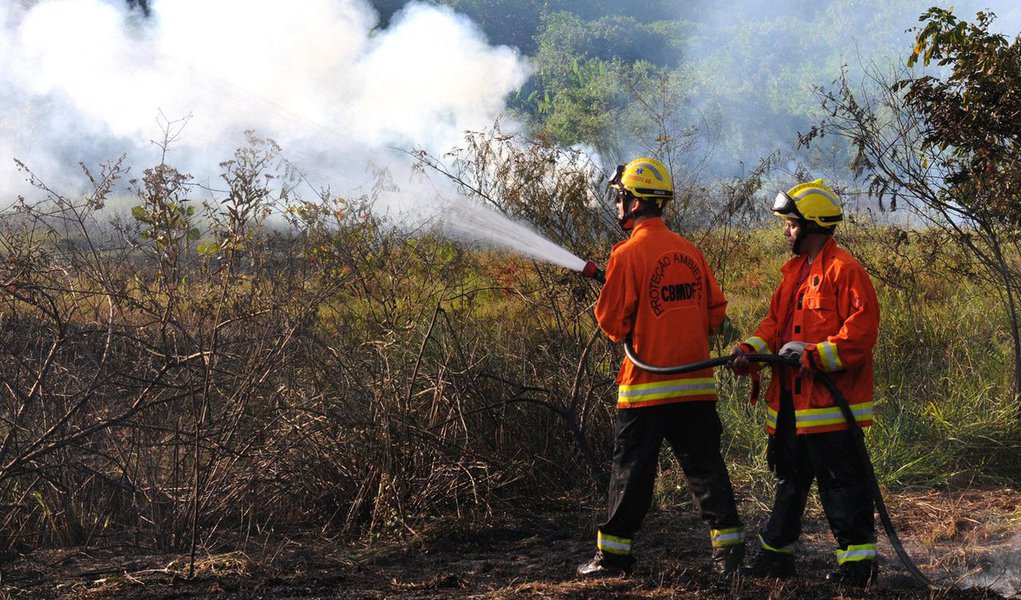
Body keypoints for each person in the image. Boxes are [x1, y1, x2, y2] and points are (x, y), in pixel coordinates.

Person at [577, 157, 744, 578]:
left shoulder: (627, 254)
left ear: (635, 203)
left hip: (646, 389)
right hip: (696, 387)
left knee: (630, 476)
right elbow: (715, 316)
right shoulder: (689, 251)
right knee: (706, 471)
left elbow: (613, 325)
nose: (618, 203)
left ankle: (613, 558)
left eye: (621, 196)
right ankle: (730, 556)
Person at [730, 179, 881, 586]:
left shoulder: (844, 271)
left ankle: (858, 566)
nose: (786, 231)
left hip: (831, 408)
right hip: (793, 406)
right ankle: (777, 555)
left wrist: (814, 356)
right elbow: (774, 326)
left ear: (813, 226)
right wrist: (750, 350)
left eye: (792, 224)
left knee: (841, 486)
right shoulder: (794, 274)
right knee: (790, 481)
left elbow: (861, 334)